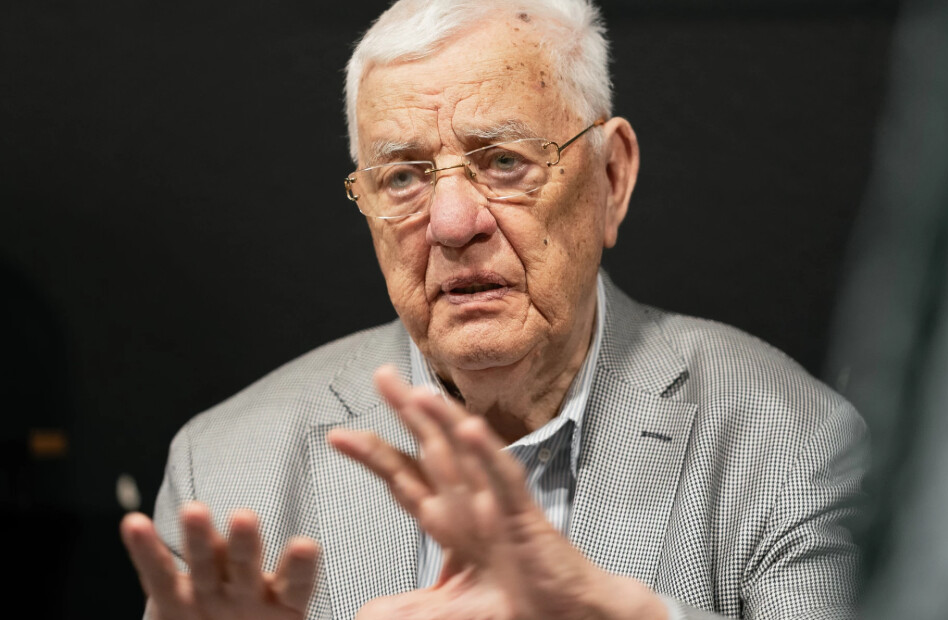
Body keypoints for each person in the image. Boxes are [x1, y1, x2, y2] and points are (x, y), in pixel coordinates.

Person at [120, 1, 868, 618]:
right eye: (403, 177)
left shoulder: (792, 445)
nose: (451, 224)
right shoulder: (227, 468)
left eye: (506, 162)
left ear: (611, 177)